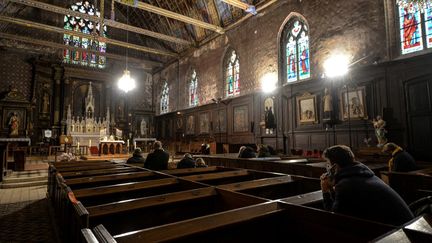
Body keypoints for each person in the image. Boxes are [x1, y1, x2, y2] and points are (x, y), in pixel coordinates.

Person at [320, 145, 414, 226]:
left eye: (328, 164)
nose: (327, 167)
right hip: (407, 227)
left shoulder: (346, 185)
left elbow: (334, 219)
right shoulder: (363, 175)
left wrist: (325, 191)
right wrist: (331, 189)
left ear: (335, 167)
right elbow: (345, 208)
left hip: (395, 235)